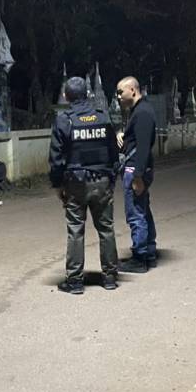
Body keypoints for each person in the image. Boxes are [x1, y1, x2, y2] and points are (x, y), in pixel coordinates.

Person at [48, 76, 120, 294]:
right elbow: (113, 152)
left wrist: (58, 185)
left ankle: (75, 281)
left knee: (75, 230)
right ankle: (110, 277)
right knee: (106, 229)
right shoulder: (102, 116)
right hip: (102, 180)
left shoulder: (64, 120)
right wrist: (111, 178)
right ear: (87, 94)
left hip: (76, 183)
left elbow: (56, 159)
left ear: (66, 96)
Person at [115, 76, 157, 273]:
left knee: (135, 214)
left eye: (120, 92)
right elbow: (136, 139)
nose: (118, 97)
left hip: (135, 170)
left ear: (132, 90)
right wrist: (123, 135)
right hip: (137, 169)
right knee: (143, 210)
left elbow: (143, 147)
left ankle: (140, 258)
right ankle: (149, 253)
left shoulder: (143, 113)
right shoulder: (139, 111)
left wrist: (138, 176)